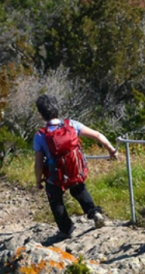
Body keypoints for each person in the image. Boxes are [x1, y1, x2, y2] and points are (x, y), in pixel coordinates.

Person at [34, 94, 119, 238]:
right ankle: (94, 213)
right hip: (74, 170)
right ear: (57, 109)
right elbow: (97, 135)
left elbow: (38, 163)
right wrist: (111, 150)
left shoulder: (40, 135)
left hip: (55, 176)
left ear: (41, 114)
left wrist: (38, 181)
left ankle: (67, 229)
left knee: (56, 201)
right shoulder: (71, 124)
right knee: (79, 190)